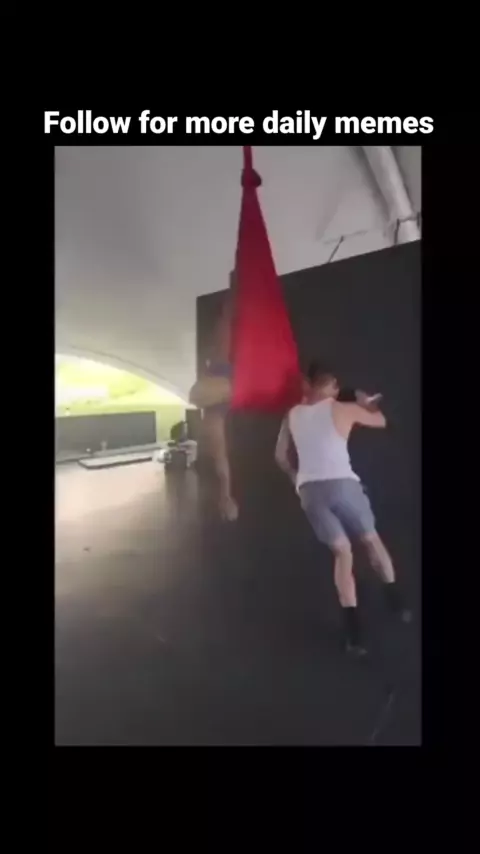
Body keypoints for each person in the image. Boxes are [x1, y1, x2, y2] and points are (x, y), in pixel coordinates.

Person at [275, 361, 411, 656]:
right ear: (332, 385)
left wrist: (297, 481)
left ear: (309, 383)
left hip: (310, 492)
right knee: (370, 539)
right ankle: (395, 600)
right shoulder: (343, 408)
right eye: (336, 386)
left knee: (342, 552)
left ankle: (354, 633)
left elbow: (281, 457)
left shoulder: (292, 414)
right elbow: (383, 421)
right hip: (342, 485)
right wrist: (365, 403)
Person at [189, 298, 239, 522]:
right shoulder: (221, 340)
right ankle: (226, 497)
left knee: (219, 452)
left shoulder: (222, 340)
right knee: (219, 452)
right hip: (220, 385)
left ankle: (226, 497)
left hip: (220, 383)